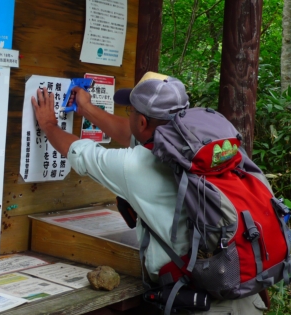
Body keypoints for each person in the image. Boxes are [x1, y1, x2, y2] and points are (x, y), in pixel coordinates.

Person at [31, 71, 267, 314]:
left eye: (130, 111)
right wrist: (87, 109)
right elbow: (130, 134)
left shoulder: (135, 166)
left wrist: (48, 124)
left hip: (202, 304)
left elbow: (80, 152)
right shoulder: (214, 148)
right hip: (244, 288)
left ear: (142, 122)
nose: (129, 116)